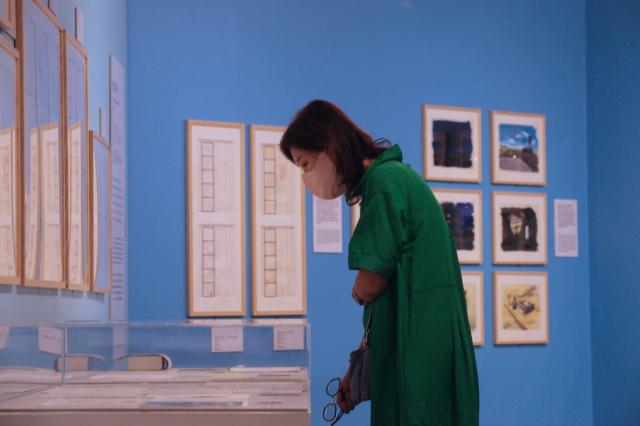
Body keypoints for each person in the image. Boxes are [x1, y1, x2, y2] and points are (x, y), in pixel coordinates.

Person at [280, 100, 479, 426]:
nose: (306, 177)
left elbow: (371, 283)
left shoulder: (385, 182)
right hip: (418, 349)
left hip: (420, 358)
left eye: (305, 164)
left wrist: (358, 292)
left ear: (328, 147)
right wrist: (356, 373)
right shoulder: (394, 179)